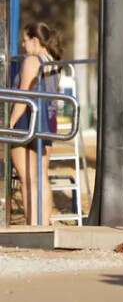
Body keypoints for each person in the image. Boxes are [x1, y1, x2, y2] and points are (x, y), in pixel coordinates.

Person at [10, 22, 63, 226]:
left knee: (27, 178)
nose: (24, 46)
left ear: (34, 40)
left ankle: (33, 224)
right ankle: (43, 223)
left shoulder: (33, 60)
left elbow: (23, 95)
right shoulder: (53, 61)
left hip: (27, 120)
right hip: (47, 120)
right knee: (40, 176)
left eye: (25, 41)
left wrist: (10, 123)